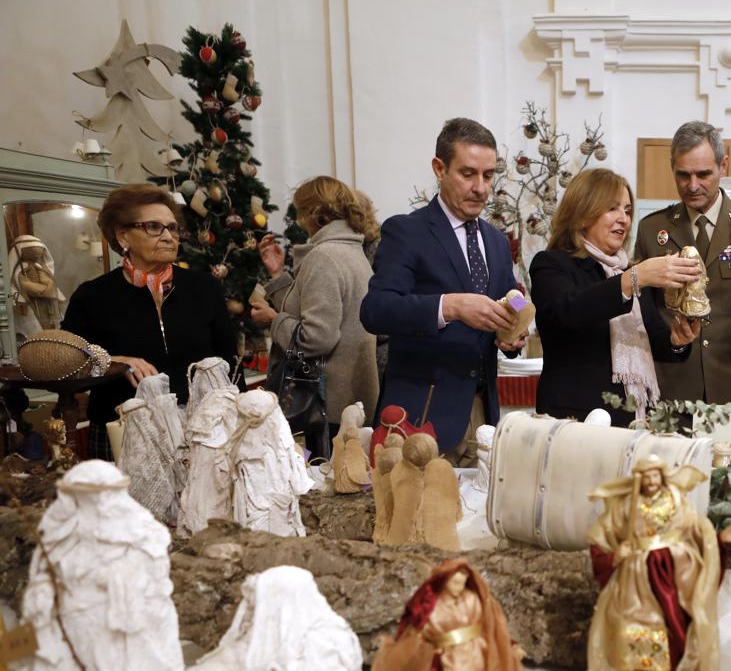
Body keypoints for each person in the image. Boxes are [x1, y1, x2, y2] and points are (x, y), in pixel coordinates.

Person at [360, 118, 525, 465]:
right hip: (422, 418)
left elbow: (506, 306)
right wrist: (449, 307)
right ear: (439, 168)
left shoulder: (496, 241)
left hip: (483, 417)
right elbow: (376, 310)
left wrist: (512, 334)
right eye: (468, 174)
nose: (480, 188)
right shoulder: (407, 231)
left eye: (488, 175)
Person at [61, 184, 235, 461]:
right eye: (154, 227)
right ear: (123, 235)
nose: (168, 236)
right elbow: (65, 361)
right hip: (123, 429)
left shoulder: (203, 288)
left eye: (172, 228)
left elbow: (229, 359)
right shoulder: (92, 296)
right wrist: (113, 361)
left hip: (201, 429)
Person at [530, 168, 702, 425]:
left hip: (633, 417)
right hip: (577, 420)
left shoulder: (629, 272)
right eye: (612, 208)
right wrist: (633, 279)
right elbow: (569, 311)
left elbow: (656, 340)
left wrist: (677, 341)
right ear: (582, 214)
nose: (624, 219)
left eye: (628, 210)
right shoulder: (552, 264)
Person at [633, 121, 731, 404]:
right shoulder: (652, 228)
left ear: (723, 166)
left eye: (703, 174)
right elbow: (646, 307)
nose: (692, 185)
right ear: (672, 167)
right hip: (674, 382)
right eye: (683, 175)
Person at [251, 176, 380, 456]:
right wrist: (277, 274)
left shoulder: (324, 257)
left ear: (311, 213)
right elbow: (317, 311)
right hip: (349, 400)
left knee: (322, 477)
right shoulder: (351, 250)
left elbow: (315, 338)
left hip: (325, 405)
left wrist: (274, 321)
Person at [587, 455, 720, 670]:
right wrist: (616, 554)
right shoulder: (628, 504)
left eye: (655, 476)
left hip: (672, 566)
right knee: (633, 618)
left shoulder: (675, 498)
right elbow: (605, 531)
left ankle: (676, 661)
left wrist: (711, 537)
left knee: (674, 613)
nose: (651, 482)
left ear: (662, 477)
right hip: (637, 571)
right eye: (647, 477)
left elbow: (692, 525)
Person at [373, 558, 523, 671]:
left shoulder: (472, 599)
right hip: (443, 657)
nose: (460, 587)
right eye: (456, 583)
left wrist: (509, 645)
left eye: (462, 583)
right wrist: (432, 645)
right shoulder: (433, 606)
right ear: (445, 581)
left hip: (475, 654)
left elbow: (489, 625)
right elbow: (422, 633)